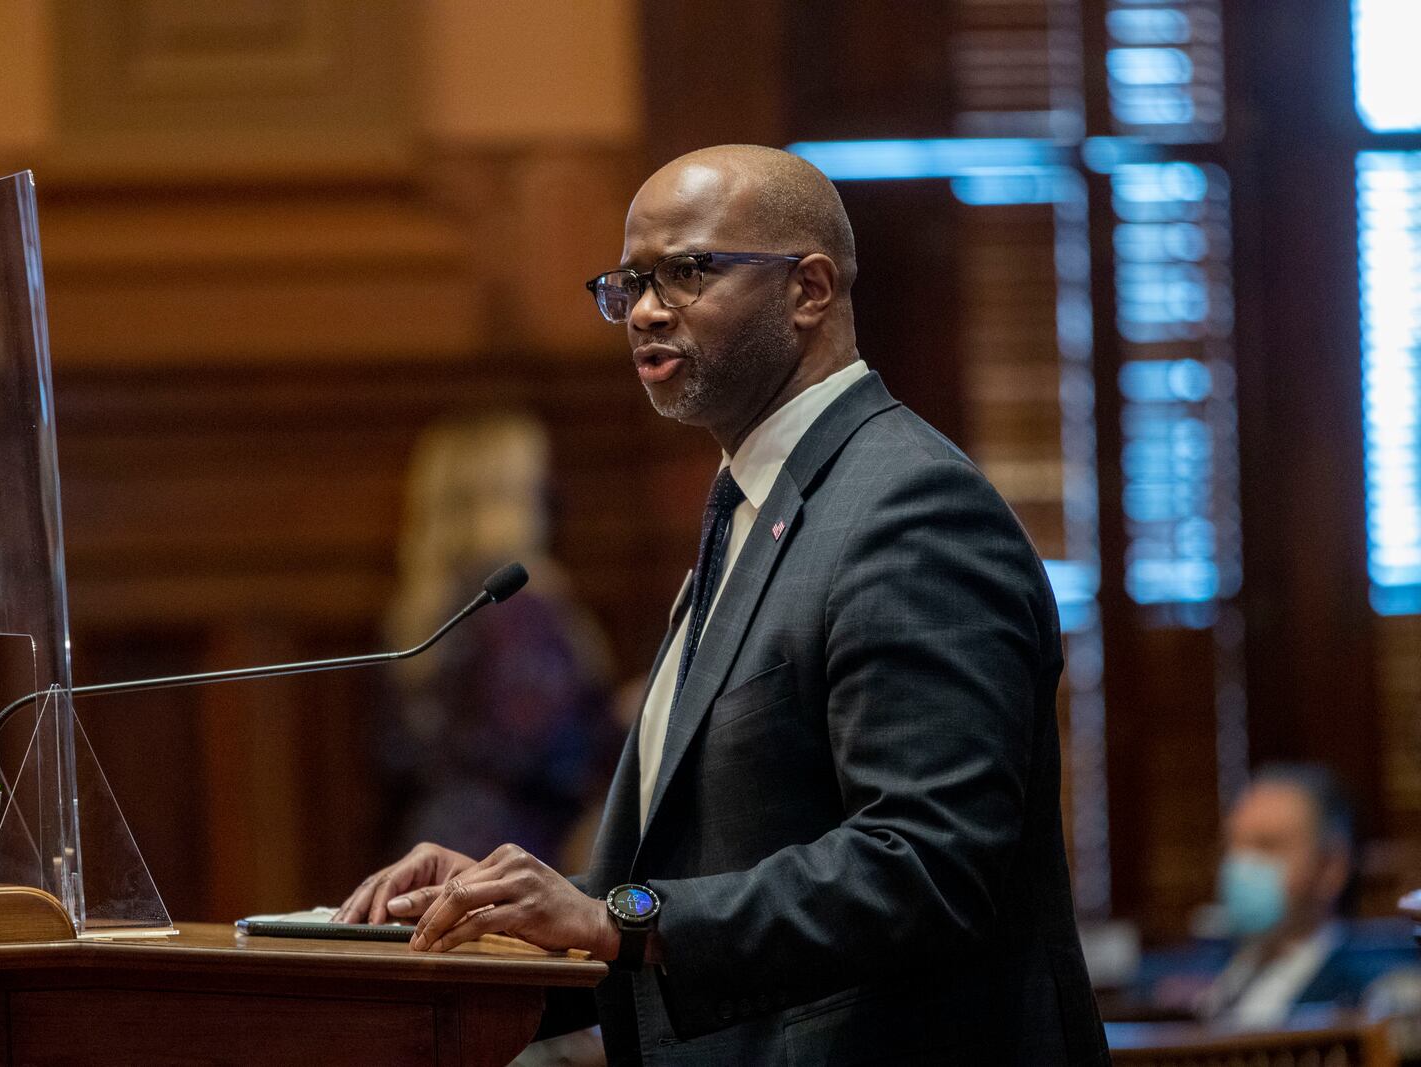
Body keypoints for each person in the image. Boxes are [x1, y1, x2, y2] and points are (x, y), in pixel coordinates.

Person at [336, 144, 1110, 1065]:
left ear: (810, 290)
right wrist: (516, 915)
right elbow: (720, 863)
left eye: (689, 271)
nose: (648, 310)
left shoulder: (908, 508)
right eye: (631, 282)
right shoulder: (757, 503)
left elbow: (925, 864)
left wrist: (617, 913)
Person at [377, 413, 617, 865]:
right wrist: (628, 722)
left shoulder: (426, 599)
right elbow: (540, 748)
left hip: (432, 840)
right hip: (511, 852)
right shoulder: (516, 602)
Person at [1143, 764, 1417, 1028]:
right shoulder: (1195, 980)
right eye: (1232, 845)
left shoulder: (1372, 994)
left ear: (1330, 867)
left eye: (1267, 846)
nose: (1241, 864)